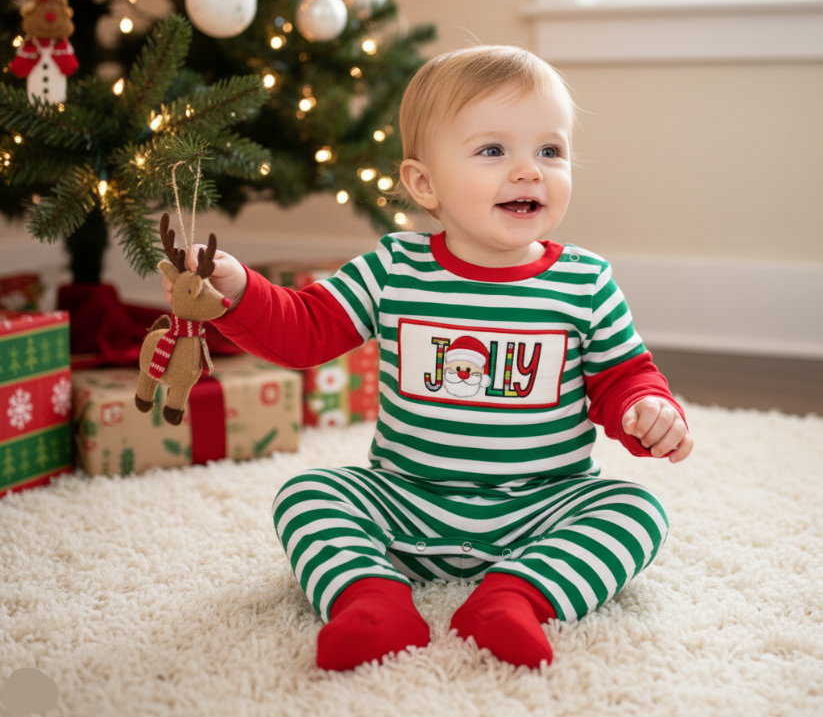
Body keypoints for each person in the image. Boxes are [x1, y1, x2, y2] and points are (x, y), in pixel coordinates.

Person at [168, 45, 693, 671]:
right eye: (493, 150)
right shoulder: (393, 267)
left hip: (543, 506)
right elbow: (306, 329)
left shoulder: (585, 282)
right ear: (424, 184)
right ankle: (371, 599)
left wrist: (648, 409)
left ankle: (517, 597)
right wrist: (241, 291)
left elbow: (622, 376)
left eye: (549, 151)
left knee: (637, 511)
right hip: (406, 500)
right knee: (307, 493)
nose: (529, 171)